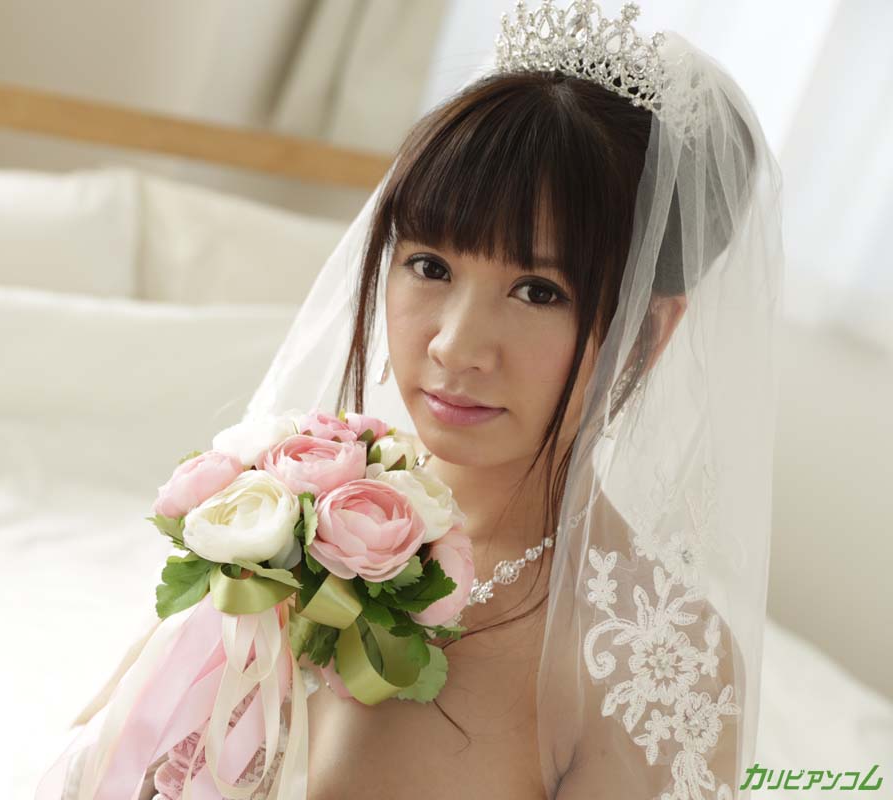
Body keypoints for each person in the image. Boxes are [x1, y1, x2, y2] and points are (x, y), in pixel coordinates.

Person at [39, 1, 784, 797]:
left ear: (646, 334)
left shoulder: (655, 661)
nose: (456, 346)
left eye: (538, 290)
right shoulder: (283, 513)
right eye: (431, 266)